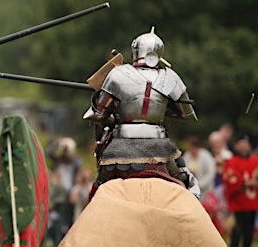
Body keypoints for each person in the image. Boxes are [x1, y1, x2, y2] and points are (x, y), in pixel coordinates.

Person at [82, 27, 200, 198]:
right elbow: (187, 115)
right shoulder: (171, 77)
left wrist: (109, 104)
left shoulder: (117, 74)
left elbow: (96, 115)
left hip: (120, 144)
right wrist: (162, 108)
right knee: (189, 184)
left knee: (98, 191)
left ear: (135, 50)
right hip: (159, 144)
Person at [222, 134, 258, 247]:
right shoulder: (231, 162)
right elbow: (230, 179)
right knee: (237, 232)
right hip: (237, 204)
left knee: (249, 233)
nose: (244, 147)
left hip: (252, 203)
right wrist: (245, 183)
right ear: (236, 146)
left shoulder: (255, 161)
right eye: (241, 145)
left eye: (246, 145)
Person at [183, 136, 216, 201]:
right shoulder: (187, 155)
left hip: (205, 190)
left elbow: (210, 172)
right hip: (190, 188)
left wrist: (199, 184)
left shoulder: (206, 156)